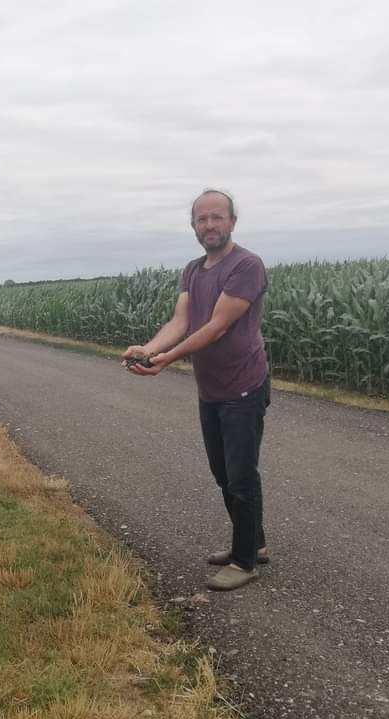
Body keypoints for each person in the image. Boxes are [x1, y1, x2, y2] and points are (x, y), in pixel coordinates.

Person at [123, 189, 270, 591]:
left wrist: (166, 360)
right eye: (202, 219)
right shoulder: (192, 270)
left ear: (232, 221)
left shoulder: (247, 265)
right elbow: (181, 321)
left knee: (241, 476)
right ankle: (253, 543)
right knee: (223, 473)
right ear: (193, 226)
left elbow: (217, 326)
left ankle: (244, 562)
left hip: (244, 385)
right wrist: (148, 349)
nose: (210, 225)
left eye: (217, 217)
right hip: (211, 388)